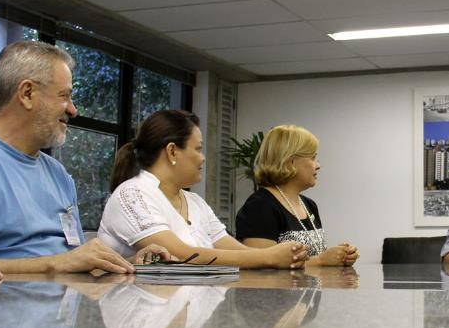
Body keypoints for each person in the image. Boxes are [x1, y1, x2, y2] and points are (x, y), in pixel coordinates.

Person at [0, 40, 160, 274]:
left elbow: (72, 258)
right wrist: (54, 264)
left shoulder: (58, 174)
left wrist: (125, 263)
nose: (73, 110)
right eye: (64, 96)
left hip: (63, 301)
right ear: (27, 94)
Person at [98, 110, 307, 269]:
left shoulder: (194, 201)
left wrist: (282, 255)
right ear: (172, 151)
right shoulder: (132, 194)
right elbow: (182, 255)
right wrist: (268, 257)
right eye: (198, 149)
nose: (203, 157)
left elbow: (232, 249)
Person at [235, 124, 358, 267]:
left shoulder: (309, 205)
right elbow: (261, 269)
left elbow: (315, 257)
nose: (318, 165)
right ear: (291, 162)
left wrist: (340, 256)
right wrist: (321, 261)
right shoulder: (259, 206)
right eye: (313, 158)